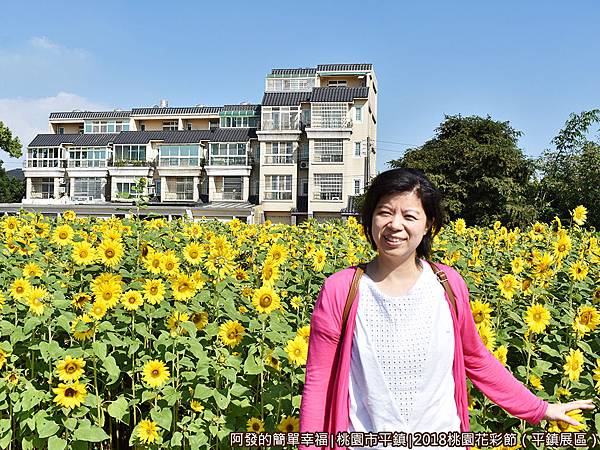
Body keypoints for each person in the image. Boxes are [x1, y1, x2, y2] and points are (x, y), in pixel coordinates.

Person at [299, 168, 595, 450]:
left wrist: (539, 408)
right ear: (370, 219)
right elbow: (319, 380)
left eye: (409, 215)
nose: (395, 225)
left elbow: (476, 358)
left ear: (428, 223)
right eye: (384, 212)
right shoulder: (341, 290)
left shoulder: (448, 285)